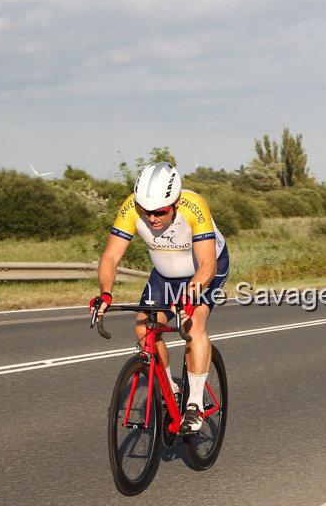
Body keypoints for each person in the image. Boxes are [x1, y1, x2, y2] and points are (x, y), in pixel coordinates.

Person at [89, 162, 229, 433]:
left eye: (160, 212)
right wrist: (105, 292)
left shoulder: (194, 206)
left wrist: (190, 295)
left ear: (175, 202)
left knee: (193, 323)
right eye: (146, 211)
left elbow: (207, 265)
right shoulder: (130, 208)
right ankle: (171, 390)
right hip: (164, 273)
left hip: (205, 270)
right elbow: (110, 256)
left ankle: (194, 405)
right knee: (144, 327)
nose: (151, 218)